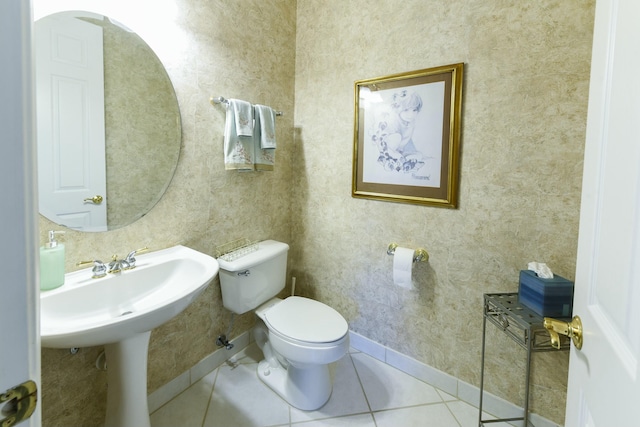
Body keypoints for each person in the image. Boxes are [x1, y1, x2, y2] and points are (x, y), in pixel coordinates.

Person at [370, 89, 425, 173]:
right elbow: (382, 140)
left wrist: (411, 151)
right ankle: (392, 154)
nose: (411, 114)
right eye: (406, 110)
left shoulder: (411, 122)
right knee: (397, 137)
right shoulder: (394, 120)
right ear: (398, 109)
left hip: (400, 146)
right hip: (387, 145)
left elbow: (408, 138)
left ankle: (404, 154)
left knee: (418, 154)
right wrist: (392, 152)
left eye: (414, 110)